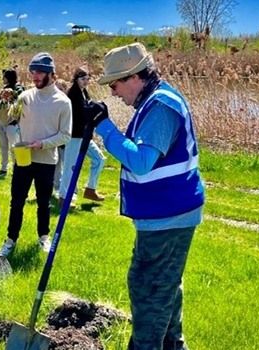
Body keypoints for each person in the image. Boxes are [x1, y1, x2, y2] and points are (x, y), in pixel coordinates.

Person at [86, 43, 205, 349]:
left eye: (114, 84)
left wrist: (104, 126)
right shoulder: (152, 102)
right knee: (164, 287)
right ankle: (172, 345)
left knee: (149, 289)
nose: (113, 93)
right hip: (164, 214)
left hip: (169, 216)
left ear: (134, 77)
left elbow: (140, 162)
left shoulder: (161, 106)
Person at [0, 52, 71, 256]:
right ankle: (11, 240)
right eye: (33, 72)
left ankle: (43, 237)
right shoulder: (25, 96)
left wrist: (43, 144)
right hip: (23, 158)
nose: (35, 76)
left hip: (46, 160)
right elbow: (8, 120)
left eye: (40, 72)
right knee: (17, 201)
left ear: (51, 74)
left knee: (43, 202)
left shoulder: (63, 102)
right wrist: (4, 103)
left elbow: (65, 135)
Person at [58, 67, 106, 208]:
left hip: (85, 136)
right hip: (74, 136)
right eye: (82, 79)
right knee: (70, 167)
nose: (86, 82)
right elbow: (79, 114)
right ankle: (63, 197)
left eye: (87, 79)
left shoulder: (84, 92)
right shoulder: (72, 94)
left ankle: (90, 189)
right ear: (76, 79)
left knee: (99, 159)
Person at [0, 68, 25, 176]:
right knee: (3, 146)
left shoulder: (19, 89)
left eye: (4, 76)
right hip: (1, 123)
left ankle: (16, 168)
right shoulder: (4, 89)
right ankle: (3, 168)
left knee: (14, 147)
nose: (2, 79)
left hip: (13, 124)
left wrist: (12, 96)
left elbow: (21, 104)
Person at [53, 78, 69, 191]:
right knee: (56, 166)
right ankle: (57, 187)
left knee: (68, 165)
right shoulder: (52, 104)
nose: (58, 91)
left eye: (61, 89)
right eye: (56, 88)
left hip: (67, 141)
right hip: (54, 140)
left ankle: (72, 189)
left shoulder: (68, 104)